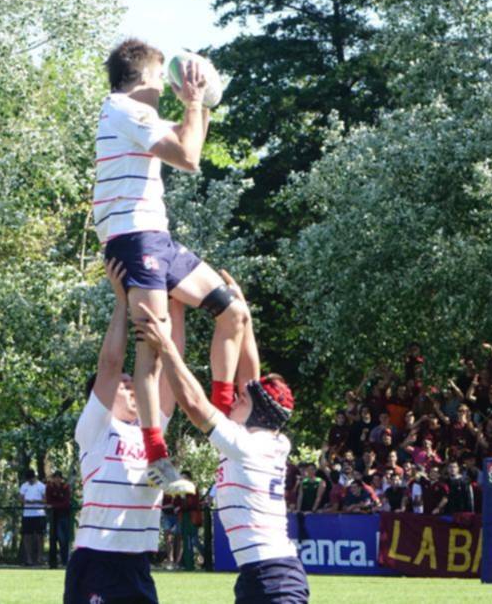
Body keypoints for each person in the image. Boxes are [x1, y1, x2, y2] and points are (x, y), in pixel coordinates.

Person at [94, 39, 250, 491]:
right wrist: (195, 104)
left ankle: (219, 417)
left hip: (156, 237)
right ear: (143, 77)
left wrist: (196, 108)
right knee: (153, 350)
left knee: (234, 313)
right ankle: (156, 457)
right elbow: (188, 157)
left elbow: (189, 146)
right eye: (163, 77)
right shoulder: (125, 108)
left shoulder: (137, 115)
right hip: (132, 238)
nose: (168, 86)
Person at [135, 290, 309, 603]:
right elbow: (251, 380)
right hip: (265, 575)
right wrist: (244, 320)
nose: (236, 400)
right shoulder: (271, 439)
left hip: (272, 578)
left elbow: (192, 402)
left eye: (243, 399)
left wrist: (167, 346)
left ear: (257, 412)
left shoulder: (247, 445)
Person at [63, 259, 179, 604]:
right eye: (124, 385)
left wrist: (175, 305)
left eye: (133, 383)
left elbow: (170, 372)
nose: (131, 386)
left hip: (138, 563)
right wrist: (121, 301)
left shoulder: (150, 428)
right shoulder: (95, 428)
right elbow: (110, 365)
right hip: (98, 558)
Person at [18, 470, 47, 567]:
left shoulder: (41, 486)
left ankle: (40, 558)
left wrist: (36, 501)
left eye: (31, 478)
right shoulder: (24, 486)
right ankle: (29, 559)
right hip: (27, 514)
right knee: (27, 536)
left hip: (39, 514)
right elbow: (21, 499)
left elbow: (45, 500)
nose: (30, 481)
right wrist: (27, 501)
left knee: (40, 536)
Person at [44, 471, 72, 569]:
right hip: (53, 516)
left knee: (63, 539)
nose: (56, 479)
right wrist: (54, 505)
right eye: (54, 477)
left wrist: (54, 505)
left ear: (61, 478)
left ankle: (65, 561)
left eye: (58, 477)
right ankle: (53, 563)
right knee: (52, 539)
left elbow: (66, 503)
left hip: (64, 515)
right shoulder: (49, 487)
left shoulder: (65, 487)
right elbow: (48, 501)